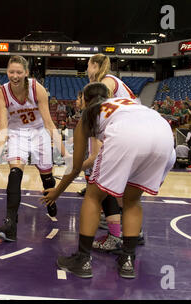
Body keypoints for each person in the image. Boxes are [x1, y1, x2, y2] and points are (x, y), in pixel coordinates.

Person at [41, 82, 175, 279]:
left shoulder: (89, 114)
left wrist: (57, 191)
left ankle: (83, 259)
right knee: (132, 200)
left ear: (85, 100)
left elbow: (76, 167)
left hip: (128, 135)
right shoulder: (126, 103)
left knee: (93, 196)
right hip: (164, 135)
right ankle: (127, 260)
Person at [0, 55, 66, 242]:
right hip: (16, 134)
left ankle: (51, 201)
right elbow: (4, 127)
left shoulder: (36, 89)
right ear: (6, 72)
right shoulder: (2, 93)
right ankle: (10, 225)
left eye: (18, 72)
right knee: (15, 173)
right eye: (11, 72)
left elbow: (49, 123)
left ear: (26, 73)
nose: (14, 76)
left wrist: (65, 152)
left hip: (39, 132)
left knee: (47, 177)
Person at [85, 53, 143, 253]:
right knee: (122, 185)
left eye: (88, 65)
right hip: (138, 131)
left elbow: (101, 110)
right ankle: (128, 229)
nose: (86, 70)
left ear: (94, 65)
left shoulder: (106, 82)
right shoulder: (110, 81)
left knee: (106, 180)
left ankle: (120, 233)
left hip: (130, 132)